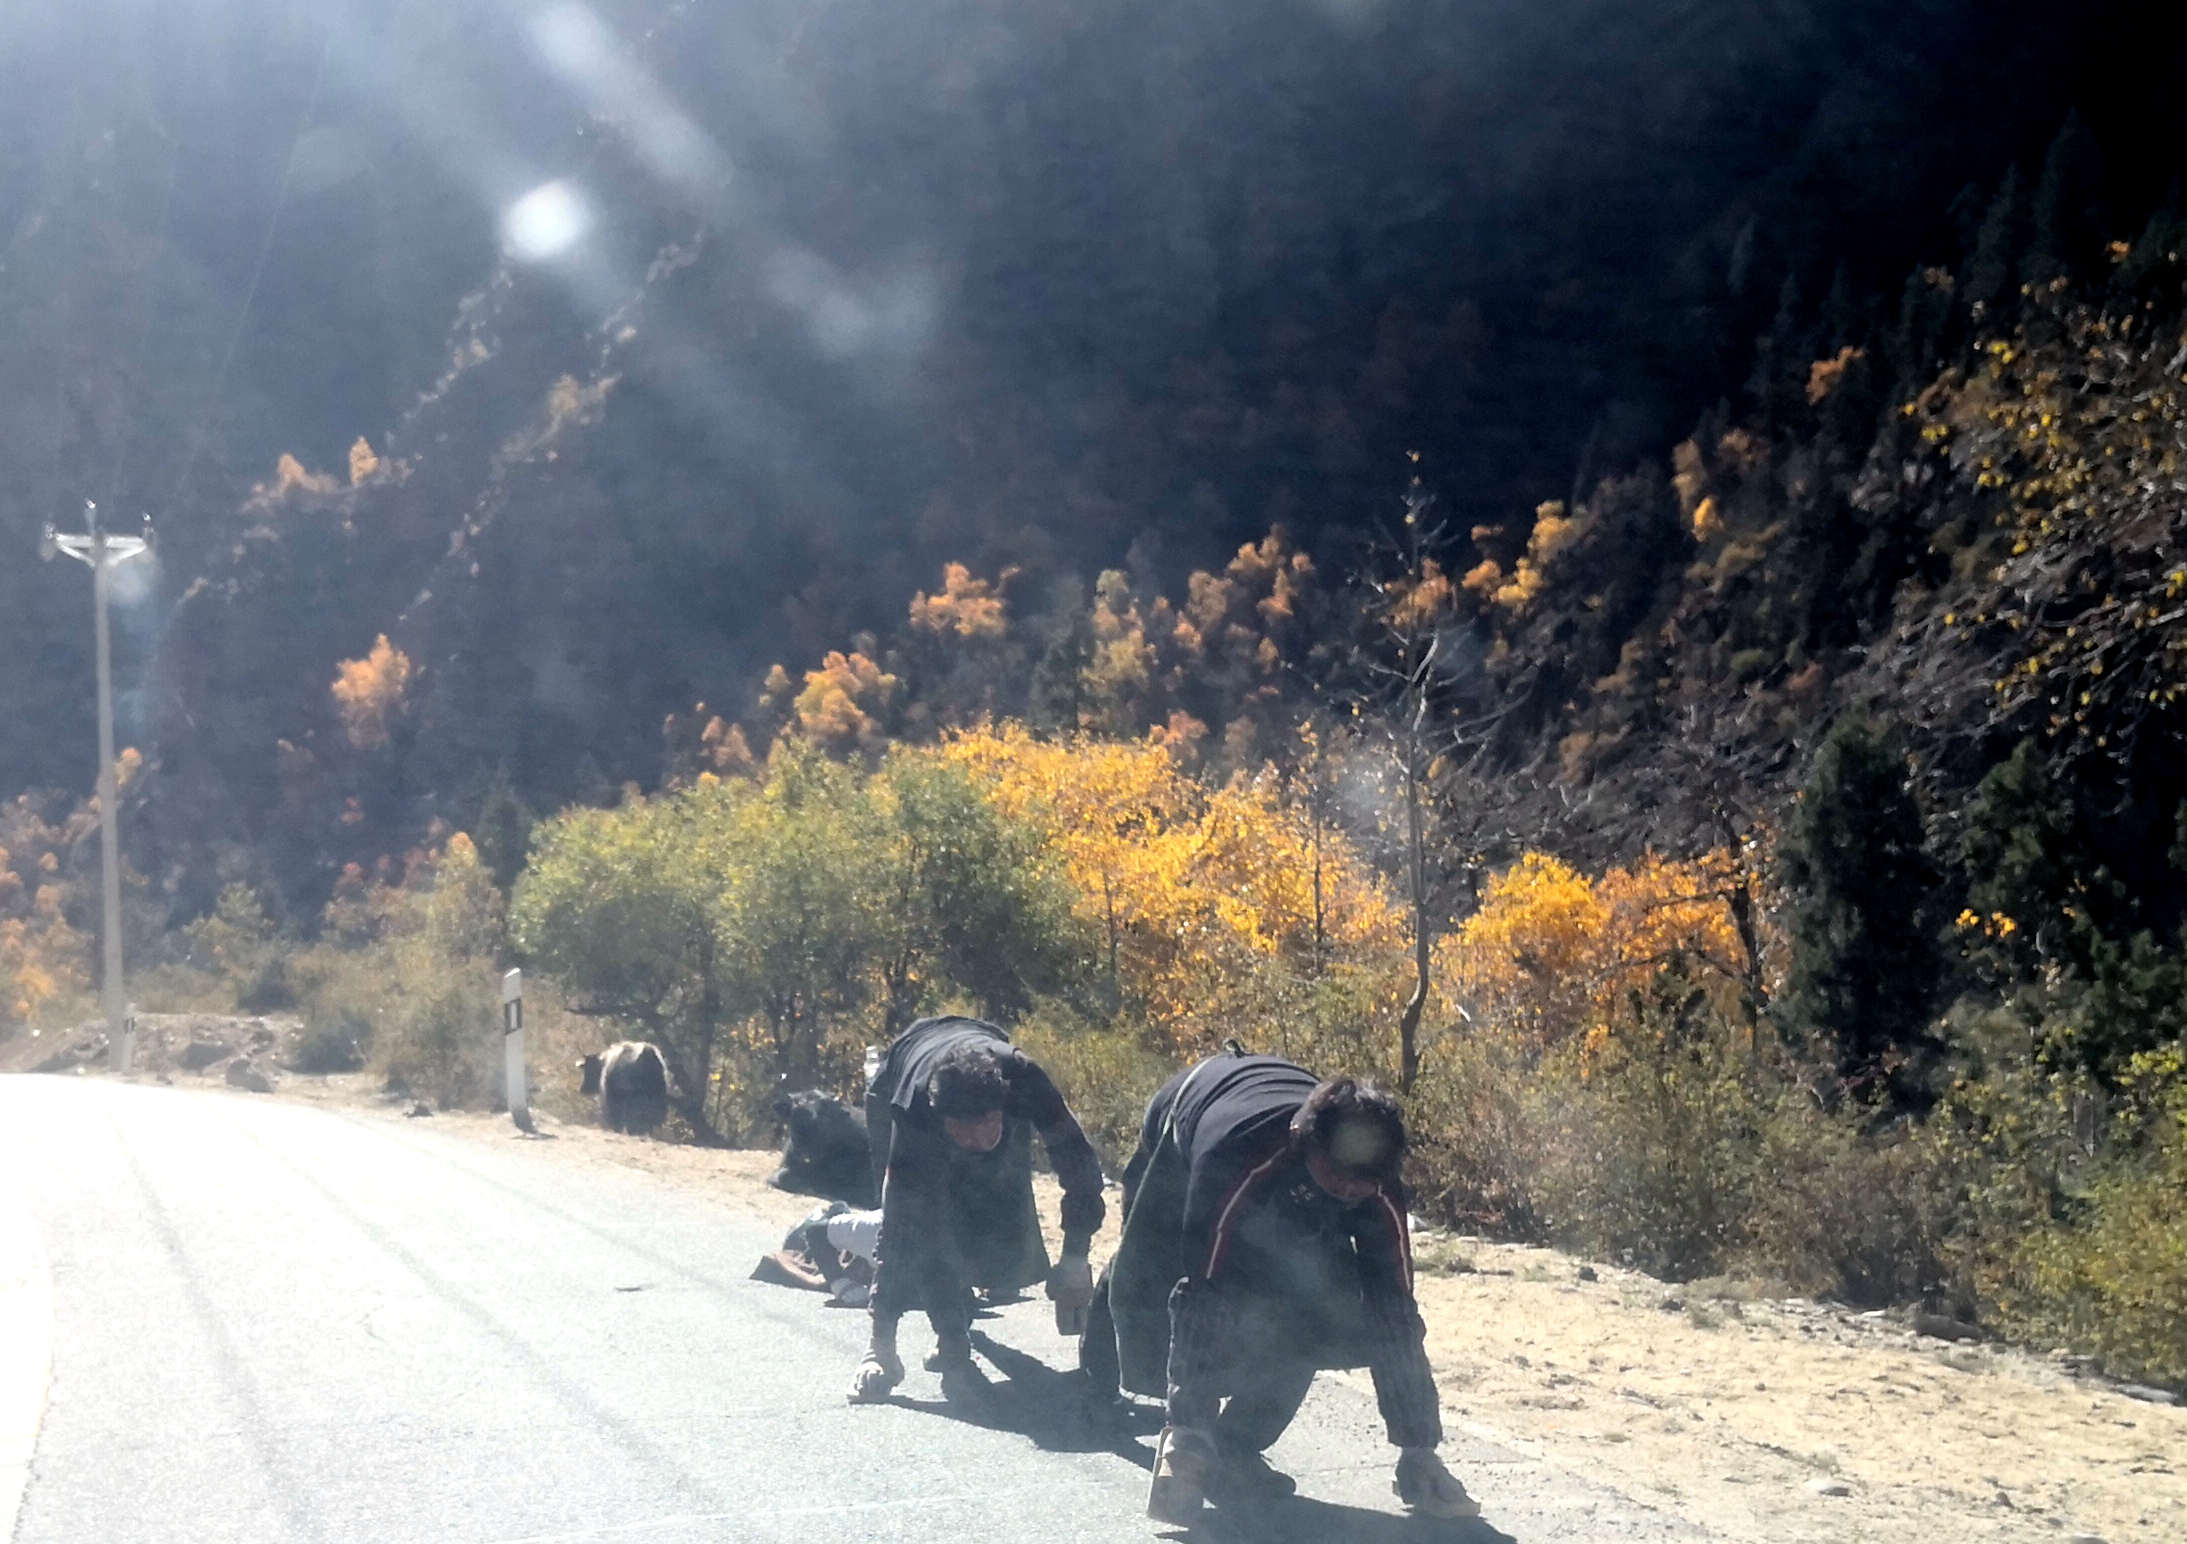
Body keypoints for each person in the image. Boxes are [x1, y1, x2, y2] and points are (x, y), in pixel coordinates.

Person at [1083, 1047, 1478, 1521]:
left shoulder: (1376, 1186)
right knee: (1148, 1275)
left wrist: (1419, 1448)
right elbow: (1202, 1290)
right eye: (1338, 1179)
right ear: (1305, 1146)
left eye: (1363, 1185)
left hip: (1273, 1138)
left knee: (1308, 1308)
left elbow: (1393, 1311)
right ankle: (1098, 1382)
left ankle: (1235, 1446)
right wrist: (1187, 1434)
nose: (1351, 1192)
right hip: (1187, 1119)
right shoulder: (1239, 1153)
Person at [847, 1015, 1105, 1404]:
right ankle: (933, 1337)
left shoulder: (1023, 1077)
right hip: (901, 1070)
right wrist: (886, 1347)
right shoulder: (916, 1108)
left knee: (999, 1209)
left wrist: (1075, 1255)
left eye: (984, 1126)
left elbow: (1077, 1161)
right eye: (961, 1131)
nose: (974, 1140)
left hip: (983, 1043)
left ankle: (960, 1314)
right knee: (917, 1220)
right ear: (941, 1118)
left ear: (1000, 1107)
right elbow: (903, 1226)